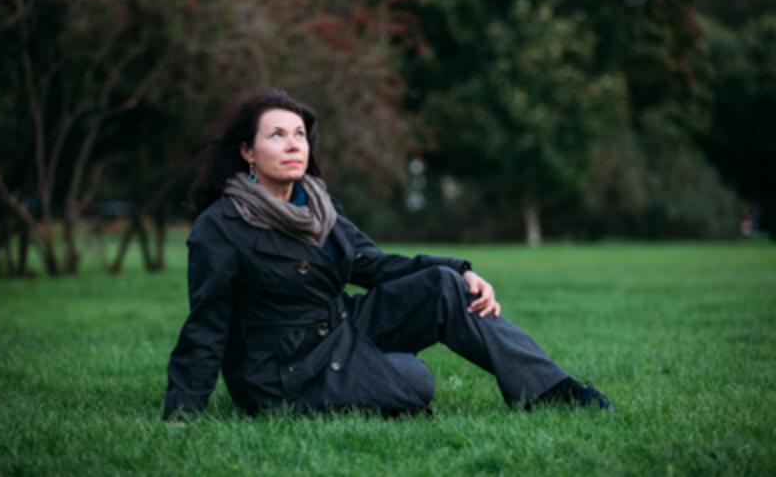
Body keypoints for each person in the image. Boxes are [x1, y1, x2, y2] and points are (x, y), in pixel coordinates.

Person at [162, 88, 610, 420]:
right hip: (285, 370)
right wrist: (183, 411)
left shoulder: (318, 203)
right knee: (415, 379)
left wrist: (461, 271)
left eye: (299, 134)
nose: (294, 144)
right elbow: (207, 322)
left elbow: (371, 265)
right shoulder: (223, 226)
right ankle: (375, 386)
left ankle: (551, 392)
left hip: (341, 329)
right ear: (248, 151)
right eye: (277, 135)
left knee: (445, 287)